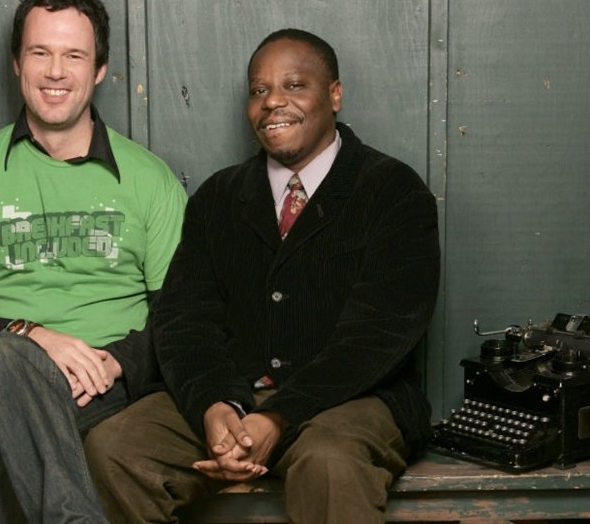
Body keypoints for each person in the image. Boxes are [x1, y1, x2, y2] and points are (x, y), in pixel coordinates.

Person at [84, 28, 441, 524]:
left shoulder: (392, 192)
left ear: (334, 94)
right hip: (234, 394)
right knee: (114, 447)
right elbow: (186, 320)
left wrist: (279, 415)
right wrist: (214, 406)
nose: (273, 101)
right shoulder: (218, 198)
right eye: (259, 90)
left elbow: (377, 337)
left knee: (329, 464)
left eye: (294, 85)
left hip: (349, 400)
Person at [0, 0, 186, 522]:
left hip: (107, 388)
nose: (55, 71)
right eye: (40, 53)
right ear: (17, 63)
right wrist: (30, 335)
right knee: (3, 360)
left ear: (100, 69)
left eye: (74, 55)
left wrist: (118, 363)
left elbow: (184, 315)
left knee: (23, 437)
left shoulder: (150, 180)